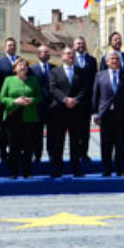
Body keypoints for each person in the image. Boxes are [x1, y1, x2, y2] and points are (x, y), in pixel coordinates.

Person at [92, 51, 124, 177]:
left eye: (116, 59)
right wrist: (95, 113)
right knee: (106, 144)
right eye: (112, 59)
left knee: (120, 143)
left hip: (121, 113)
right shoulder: (100, 75)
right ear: (106, 62)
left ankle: (120, 170)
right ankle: (106, 170)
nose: (114, 61)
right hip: (105, 114)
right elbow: (96, 95)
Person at [0, 57, 41, 179]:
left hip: (29, 116)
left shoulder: (33, 80)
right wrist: (14, 101)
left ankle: (27, 171)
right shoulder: (8, 80)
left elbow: (39, 97)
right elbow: (2, 98)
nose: (22, 67)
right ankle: (14, 171)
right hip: (13, 116)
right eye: (20, 65)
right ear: (15, 68)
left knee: (28, 145)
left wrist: (31, 100)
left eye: (25, 65)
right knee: (13, 145)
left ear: (28, 69)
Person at [48, 47, 88, 177]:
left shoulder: (81, 72)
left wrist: (75, 100)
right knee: (58, 142)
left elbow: (84, 89)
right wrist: (65, 99)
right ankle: (57, 169)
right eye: (68, 54)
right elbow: (53, 88)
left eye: (72, 54)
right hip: (59, 111)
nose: (71, 56)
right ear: (62, 56)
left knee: (76, 141)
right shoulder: (55, 72)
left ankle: (76, 168)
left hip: (76, 111)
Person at [0, 37, 19, 164]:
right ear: (5, 48)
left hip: (20, 103)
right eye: (9, 45)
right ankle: (3, 153)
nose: (11, 47)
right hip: (5, 102)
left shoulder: (20, 61)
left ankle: (16, 153)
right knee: (4, 130)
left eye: (13, 45)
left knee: (18, 129)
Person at [73, 36, 98, 163]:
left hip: (88, 100)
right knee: (75, 129)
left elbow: (95, 80)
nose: (80, 46)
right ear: (74, 45)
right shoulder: (71, 59)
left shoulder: (92, 60)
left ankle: (84, 153)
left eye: (82, 43)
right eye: (78, 43)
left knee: (85, 130)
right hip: (74, 100)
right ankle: (75, 154)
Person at [29, 45, 54, 163]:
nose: (47, 54)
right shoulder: (32, 69)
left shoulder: (54, 69)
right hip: (37, 105)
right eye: (44, 52)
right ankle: (37, 155)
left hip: (52, 105)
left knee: (52, 132)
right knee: (36, 132)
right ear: (38, 54)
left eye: (48, 52)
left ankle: (51, 154)